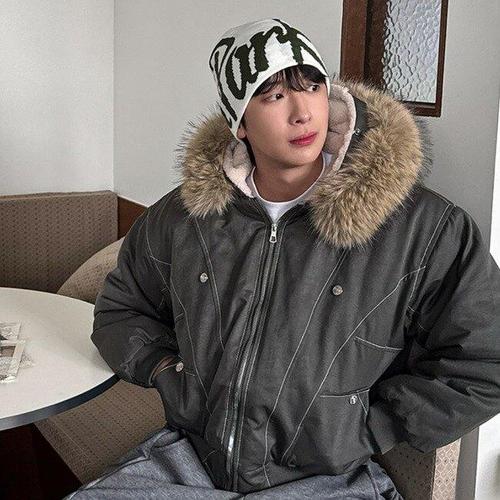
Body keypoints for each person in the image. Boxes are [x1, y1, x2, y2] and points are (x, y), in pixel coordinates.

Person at [65, 17, 500, 499]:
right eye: (273, 95)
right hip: (191, 463)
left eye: (312, 86)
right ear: (239, 123)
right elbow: (120, 309)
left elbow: (485, 361)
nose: (302, 113)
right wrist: (168, 373)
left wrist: (368, 426)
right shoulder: (184, 217)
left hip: (327, 481)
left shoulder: (423, 228)